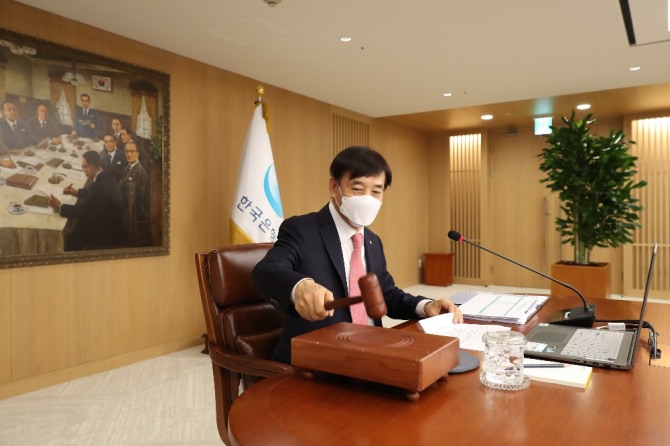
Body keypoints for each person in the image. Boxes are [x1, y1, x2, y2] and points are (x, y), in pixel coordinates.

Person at [252, 145, 463, 364]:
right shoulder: (302, 229)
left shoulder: (372, 240)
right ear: (334, 187)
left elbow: (386, 294)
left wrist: (426, 306)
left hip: (373, 352)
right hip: (318, 359)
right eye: (358, 188)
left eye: (376, 191)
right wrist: (301, 287)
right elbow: (266, 270)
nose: (367, 198)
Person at [48, 150, 127, 251]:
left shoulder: (99, 185)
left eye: (84, 166)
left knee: (72, 238)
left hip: (108, 231)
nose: (83, 170)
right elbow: (94, 194)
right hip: (111, 222)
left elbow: (82, 211)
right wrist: (76, 192)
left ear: (92, 167)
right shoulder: (104, 177)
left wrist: (59, 206)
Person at [118, 142, 150, 246]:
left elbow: (137, 198)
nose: (128, 154)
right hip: (125, 209)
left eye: (132, 151)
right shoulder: (129, 167)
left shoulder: (140, 172)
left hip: (132, 214)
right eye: (127, 151)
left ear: (138, 153)